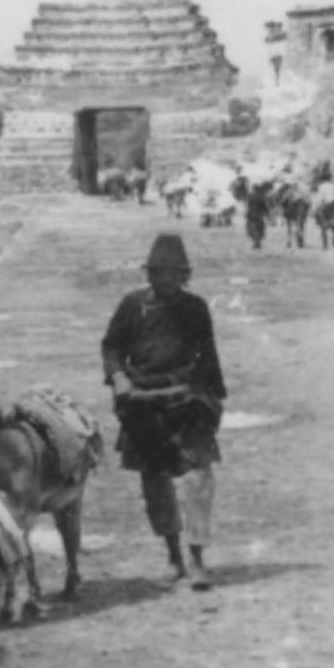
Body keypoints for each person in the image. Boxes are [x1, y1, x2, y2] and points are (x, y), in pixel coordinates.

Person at [101, 234, 227, 591]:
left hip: (187, 402)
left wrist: (212, 396)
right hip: (143, 405)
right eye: (160, 272)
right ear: (150, 274)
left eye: (174, 273)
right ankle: (173, 556)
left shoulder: (196, 308)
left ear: (184, 275)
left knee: (199, 480)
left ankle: (198, 560)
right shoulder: (132, 306)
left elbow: (208, 354)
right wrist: (119, 377)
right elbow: (111, 346)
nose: (166, 279)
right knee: (156, 483)